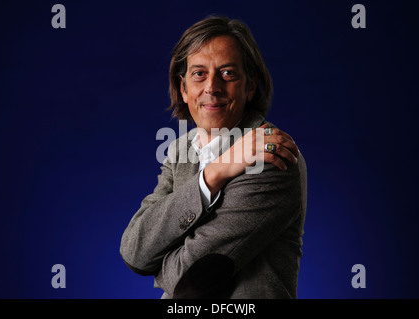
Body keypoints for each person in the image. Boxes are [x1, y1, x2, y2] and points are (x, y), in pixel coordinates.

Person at [120, 16, 307, 299]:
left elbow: (192, 281)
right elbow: (134, 250)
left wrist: (158, 258)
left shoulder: (271, 157)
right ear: (183, 89)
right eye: (199, 74)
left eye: (228, 73)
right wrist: (214, 173)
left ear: (250, 86)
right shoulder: (181, 150)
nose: (212, 87)